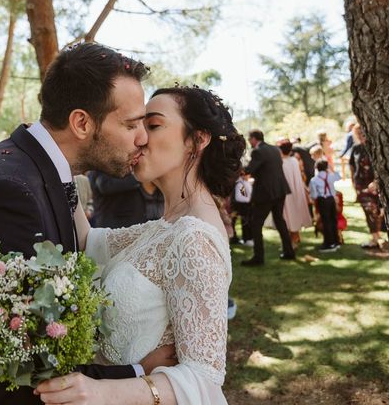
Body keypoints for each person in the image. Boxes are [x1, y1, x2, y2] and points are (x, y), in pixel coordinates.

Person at [0, 43, 174, 404]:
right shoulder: (5, 195)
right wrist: (137, 373)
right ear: (82, 123)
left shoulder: (30, 174)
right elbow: (18, 367)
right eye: (131, 124)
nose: (142, 137)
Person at [35, 86, 245, 405]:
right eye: (136, 126)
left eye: (154, 125)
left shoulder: (194, 237)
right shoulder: (164, 226)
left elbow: (204, 377)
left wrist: (100, 391)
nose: (140, 138)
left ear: (198, 140)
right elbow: (89, 242)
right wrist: (61, 157)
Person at [241, 129, 293, 266]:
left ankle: (258, 257)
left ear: (254, 139)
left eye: (249, 139)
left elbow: (249, 170)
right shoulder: (275, 149)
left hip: (266, 193)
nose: (249, 142)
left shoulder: (258, 152)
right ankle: (289, 251)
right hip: (280, 190)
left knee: (256, 223)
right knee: (280, 221)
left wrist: (239, 168)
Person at [348, 124, 385, 249]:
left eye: (362, 133)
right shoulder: (356, 149)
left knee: (378, 210)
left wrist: (376, 181)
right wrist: (354, 184)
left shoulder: (374, 147)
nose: (360, 136)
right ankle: (375, 238)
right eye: (357, 133)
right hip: (361, 185)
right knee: (369, 210)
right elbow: (352, 166)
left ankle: (379, 237)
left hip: (375, 185)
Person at [89, 171, 164, 228]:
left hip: (141, 221)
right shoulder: (105, 162)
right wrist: (141, 176)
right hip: (116, 224)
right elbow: (104, 184)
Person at [276, 139, 311, 246]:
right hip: (295, 191)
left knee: (288, 215)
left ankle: (292, 240)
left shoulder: (282, 162)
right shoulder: (294, 161)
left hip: (286, 193)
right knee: (294, 213)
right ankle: (295, 237)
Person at [309, 160, 341, 252]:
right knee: (333, 220)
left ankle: (329, 243)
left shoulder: (314, 180)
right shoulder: (330, 176)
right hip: (331, 199)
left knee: (326, 221)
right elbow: (338, 176)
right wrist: (331, 169)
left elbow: (314, 195)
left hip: (322, 200)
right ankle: (336, 241)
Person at [230, 170, 253, 246]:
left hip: (247, 206)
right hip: (242, 207)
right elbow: (239, 197)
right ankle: (246, 239)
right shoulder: (240, 184)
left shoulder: (245, 183)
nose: (249, 176)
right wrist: (250, 200)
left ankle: (248, 238)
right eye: (247, 175)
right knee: (245, 222)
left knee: (248, 222)